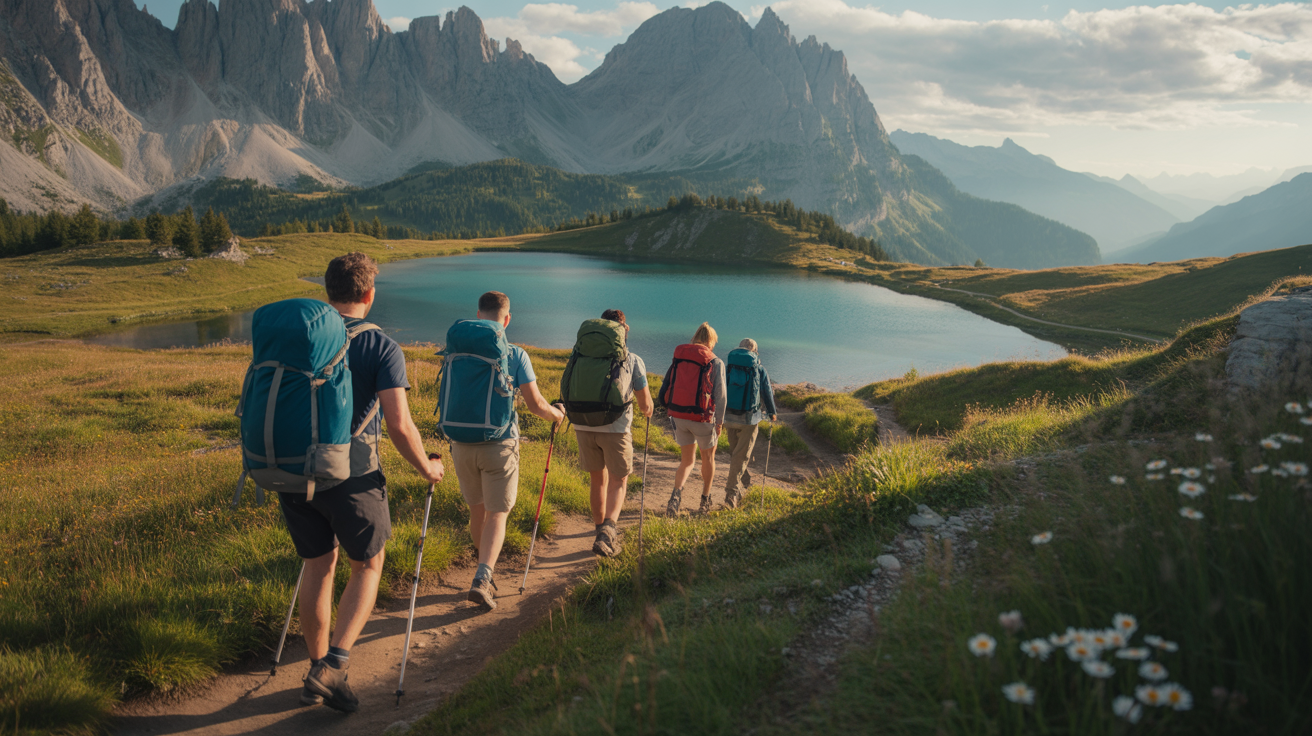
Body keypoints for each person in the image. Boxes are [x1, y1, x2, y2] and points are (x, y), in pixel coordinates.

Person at [285, 252, 444, 713]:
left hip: (294, 472)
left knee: (319, 566)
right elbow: (399, 425)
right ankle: (332, 666)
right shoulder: (380, 346)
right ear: (369, 294)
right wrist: (427, 468)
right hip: (351, 477)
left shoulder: (301, 339)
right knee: (367, 565)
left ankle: (316, 668)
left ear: (328, 290)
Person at [447, 291, 565, 610]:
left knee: (478, 510)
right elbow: (536, 405)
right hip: (499, 444)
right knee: (498, 513)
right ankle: (483, 578)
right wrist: (558, 414)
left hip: (460, 442)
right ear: (507, 319)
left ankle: (482, 572)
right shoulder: (515, 353)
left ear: (478, 314)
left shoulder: (457, 348)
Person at [569, 309, 655, 556]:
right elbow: (645, 405)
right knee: (619, 480)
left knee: (598, 479)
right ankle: (608, 532)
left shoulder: (579, 355)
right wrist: (648, 411)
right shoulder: (633, 360)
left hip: (582, 423)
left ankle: (599, 531)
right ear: (623, 330)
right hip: (615, 428)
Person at [659, 322, 726, 515]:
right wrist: (719, 421)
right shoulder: (716, 361)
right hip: (703, 419)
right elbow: (721, 396)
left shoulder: (679, 356)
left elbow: (667, 383)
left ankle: (675, 498)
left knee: (686, 461)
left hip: (679, 416)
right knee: (708, 458)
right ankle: (705, 500)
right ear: (710, 341)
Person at [722, 338, 778, 508]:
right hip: (749, 419)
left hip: (728, 417)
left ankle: (743, 482)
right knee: (740, 455)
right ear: (755, 352)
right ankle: (731, 496)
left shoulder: (729, 367)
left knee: (735, 453)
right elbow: (767, 391)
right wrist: (772, 413)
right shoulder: (759, 368)